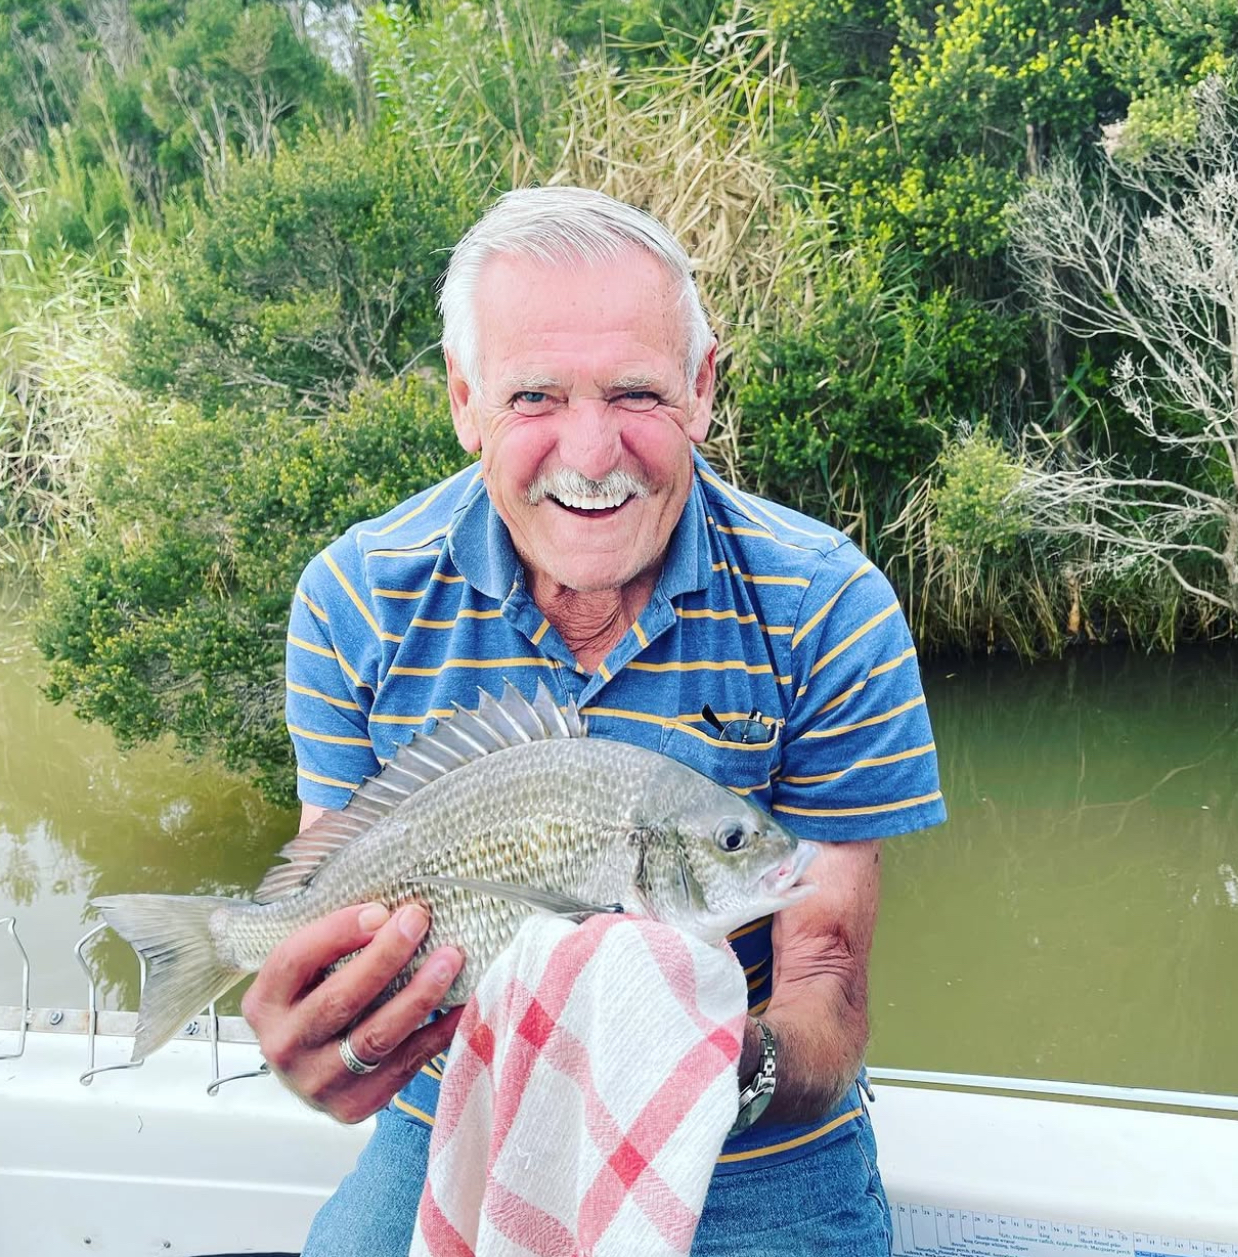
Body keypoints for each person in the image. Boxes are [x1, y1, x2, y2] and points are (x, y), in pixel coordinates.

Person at [242, 186, 946, 1256]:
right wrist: (330, 1030)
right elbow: (334, 885)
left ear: (701, 390)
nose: (590, 450)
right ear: (464, 400)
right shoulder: (355, 599)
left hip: (750, 1147)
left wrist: (704, 1069)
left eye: (635, 392)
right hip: (450, 1110)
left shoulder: (827, 604)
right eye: (533, 395)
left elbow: (824, 982)